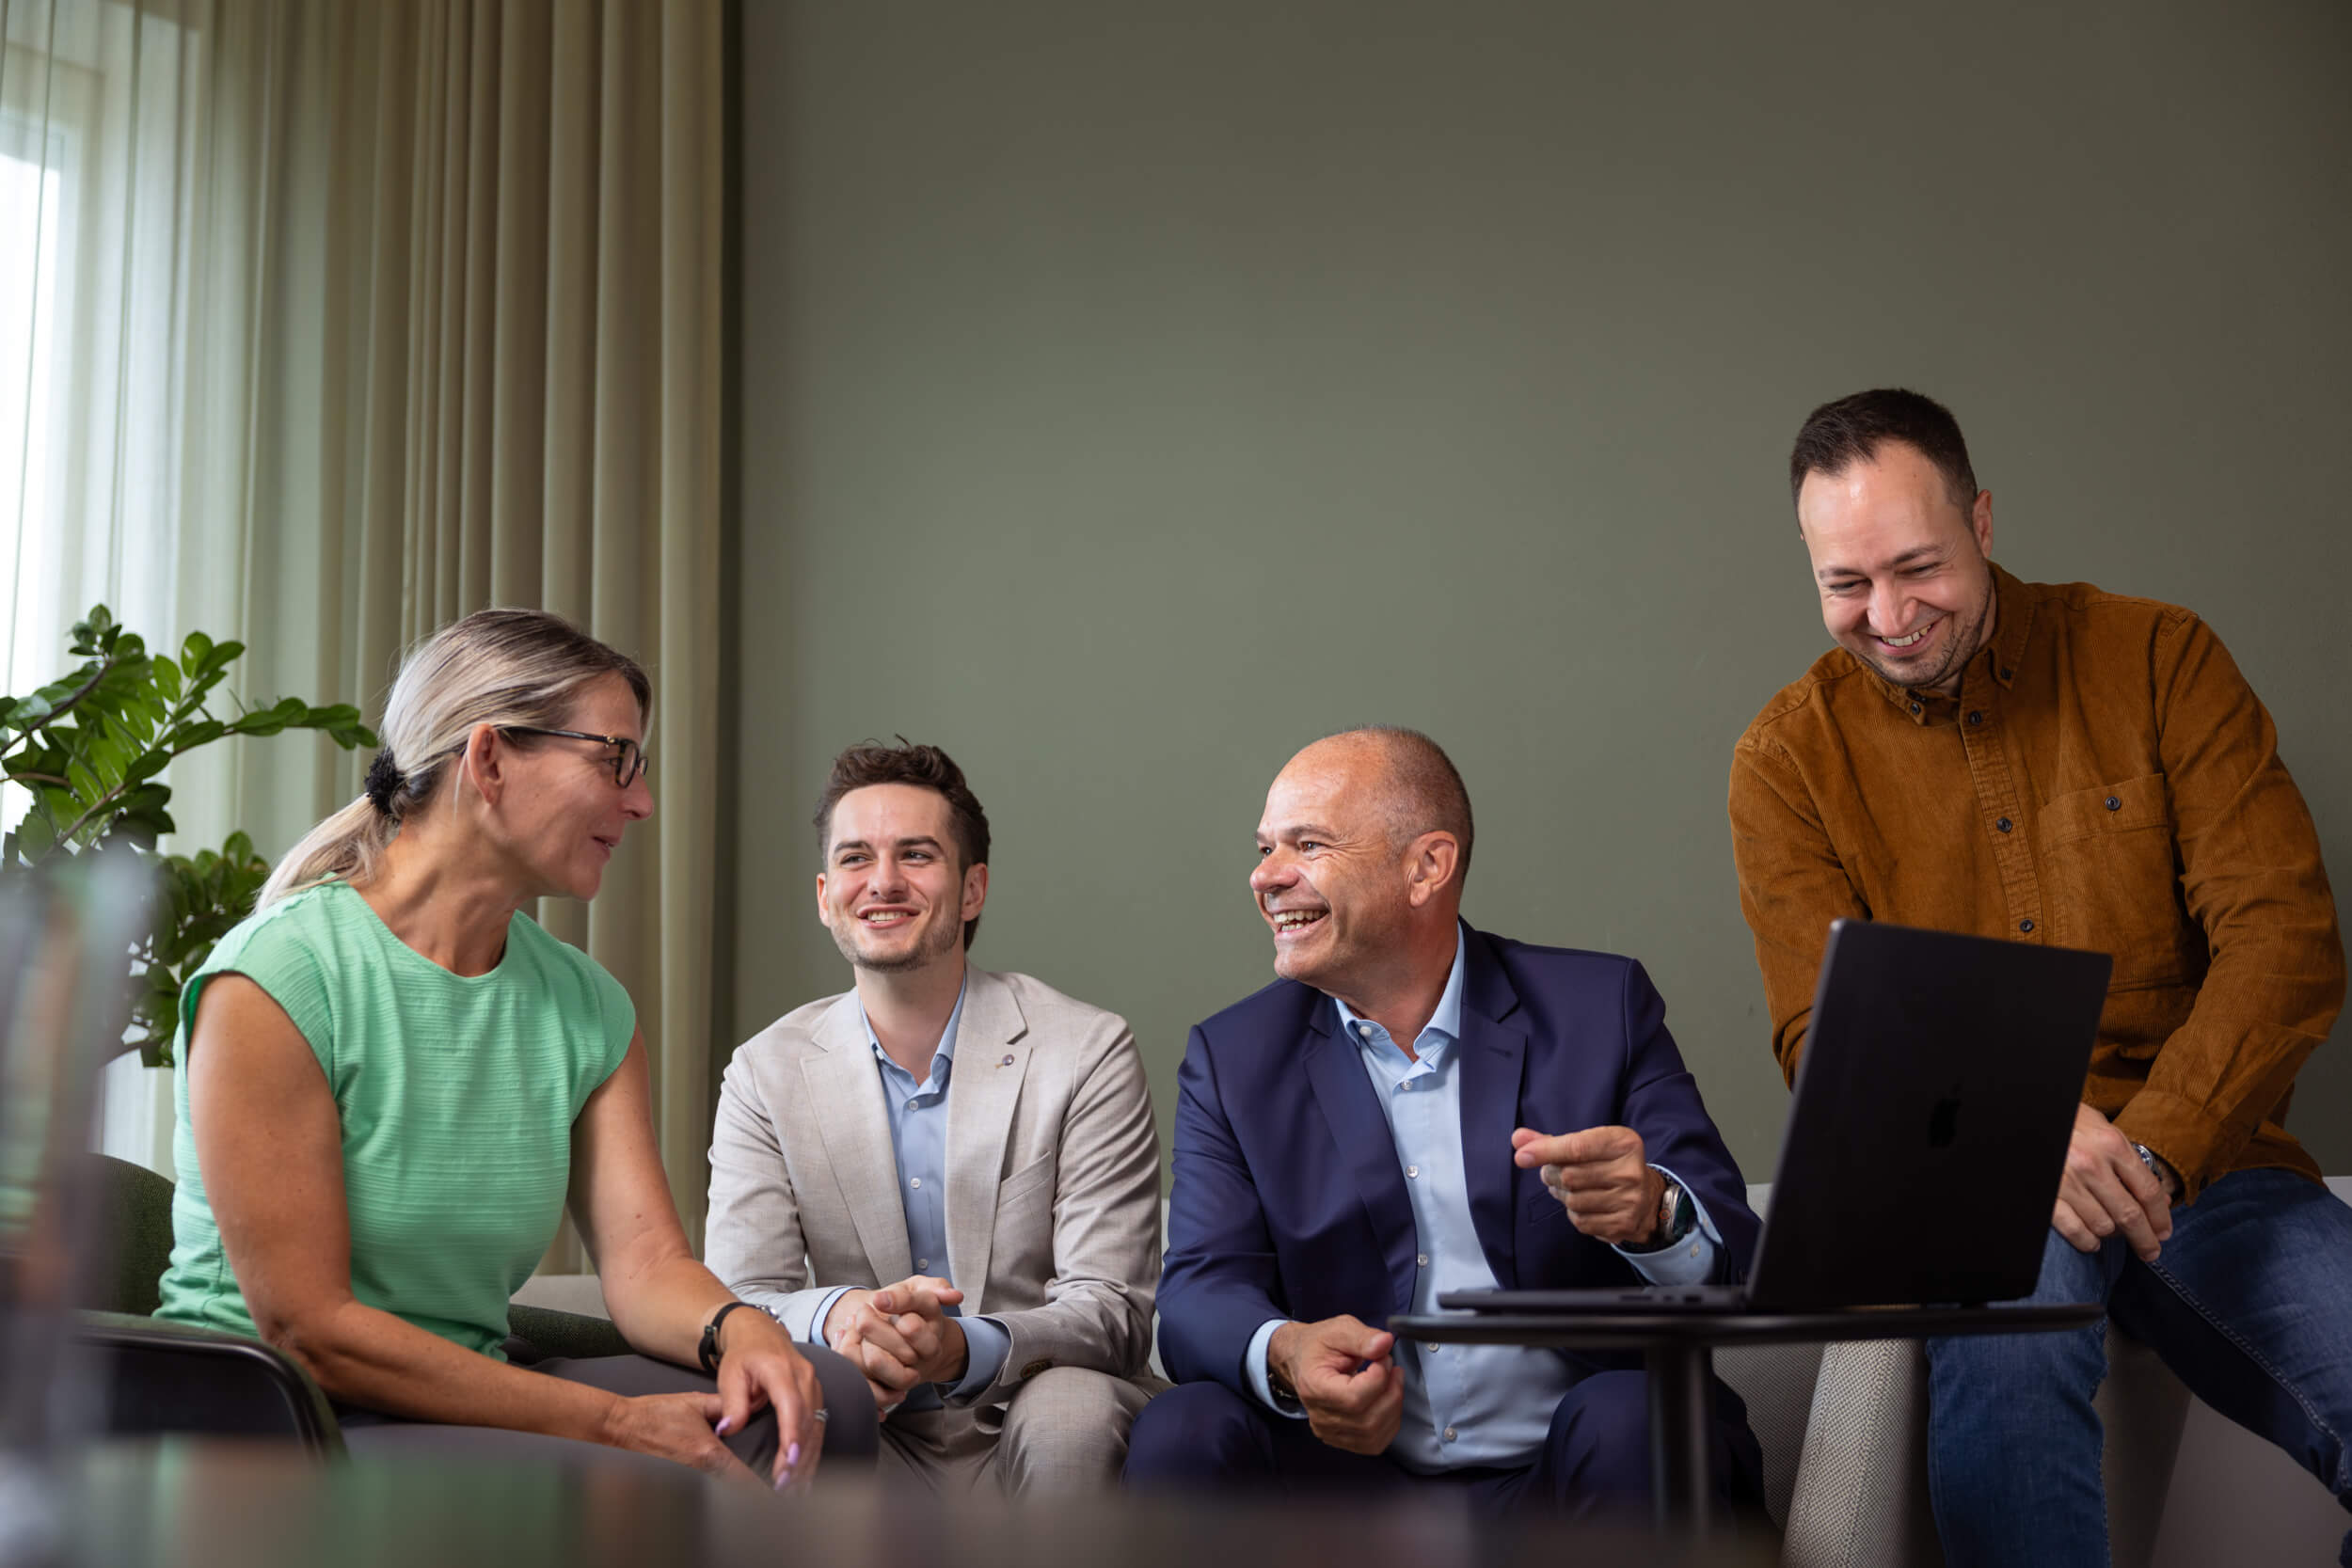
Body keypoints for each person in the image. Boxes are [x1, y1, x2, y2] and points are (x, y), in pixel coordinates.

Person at [1729, 388, 2350, 1566]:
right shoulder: (1783, 761)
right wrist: (2017, 1131)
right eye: (1845, 584)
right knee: (2005, 1359)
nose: (1890, 615)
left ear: (1984, 520)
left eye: (1918, 565)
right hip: (1971, 1191)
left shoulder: (2158, 655)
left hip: (2210, 1163)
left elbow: (2284, 938)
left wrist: (2150, 1148)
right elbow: (1824, 1038)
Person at [154, 608, 874, 1484]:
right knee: (650, 1467)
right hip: (279, 1416)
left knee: (821, 1396)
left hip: (467, 1396)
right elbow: (310, 1329)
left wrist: (744, 1329)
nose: (642, 801)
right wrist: (610, 1422)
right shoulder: (278, 977)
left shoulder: (586, 1004)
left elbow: (648, 1264)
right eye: (615, 760)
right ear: (490, 758)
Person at [1124, 727, 1765, 1513]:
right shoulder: (1233, 1057)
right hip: (1347, 1489)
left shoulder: (1602, 1008)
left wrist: (1655, 1214)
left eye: (1308, 844)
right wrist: (1288, 1351)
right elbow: (1198, 1293)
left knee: (1635, 1417)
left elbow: (1739, 1252)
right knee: (1181, 1428)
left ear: (1427, 865)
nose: (1266, 877)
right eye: (1264, 848)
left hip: (1577, 1473)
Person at [705, 741, 1162, 1494]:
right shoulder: (763, 1071)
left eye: (915, 854)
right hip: (858, 1412)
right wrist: (841, 1315)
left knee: (1070, 1409)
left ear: (972, 887)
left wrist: (961, 1347)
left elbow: (1111, 1310)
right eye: (856, 858)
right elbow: (738, 1299)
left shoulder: (1086, 1048)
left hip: (1033, 1404)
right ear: (825, 895)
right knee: (778, 1405)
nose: (882, 881)